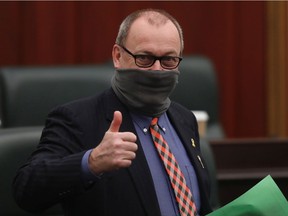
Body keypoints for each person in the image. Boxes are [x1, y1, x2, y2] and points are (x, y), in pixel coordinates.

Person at [13, 8, 212, 216]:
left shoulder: (184, 118)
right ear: (118, 56)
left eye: (169, 60)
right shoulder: (78, 119)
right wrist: (91, 162)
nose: (157, 70)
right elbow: (26, 190)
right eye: (144, 58)